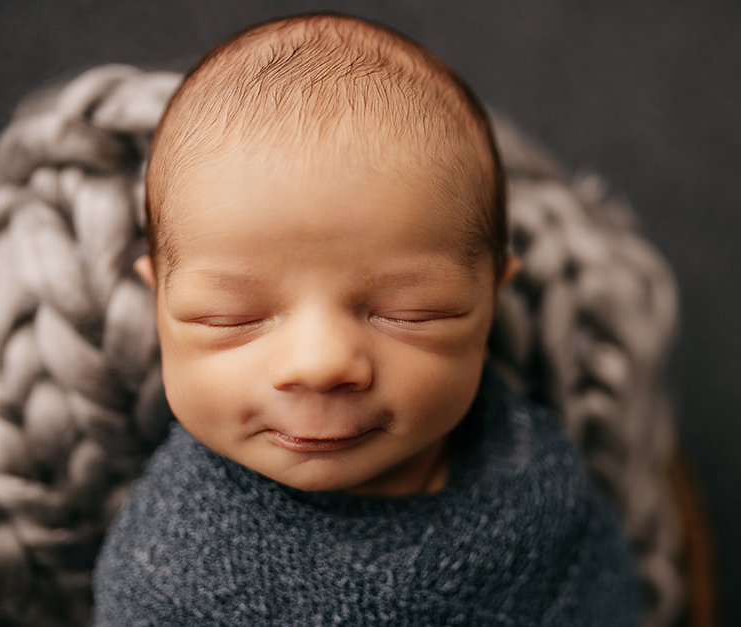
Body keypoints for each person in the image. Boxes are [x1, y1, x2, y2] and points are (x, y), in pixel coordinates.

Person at [92, 13, 640, 626]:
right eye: (230, 317)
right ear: (157, 304)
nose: (320, 363)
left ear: (491, 300)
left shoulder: (533, 471)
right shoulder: (170, 565)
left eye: (411, 312)